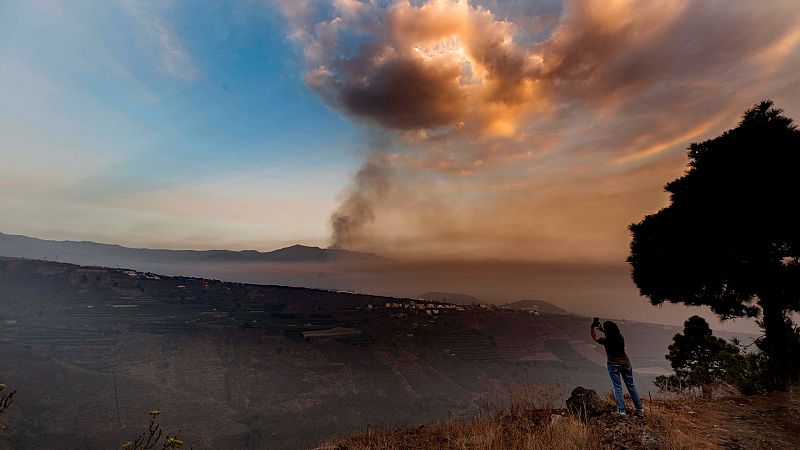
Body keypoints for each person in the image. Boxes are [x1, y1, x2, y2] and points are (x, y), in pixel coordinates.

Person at [591, 319, 644, 416]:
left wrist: (592, 328)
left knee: (617, 387)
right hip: (626, 364)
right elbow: (613, 334)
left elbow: (594, 337)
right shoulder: (620, 337)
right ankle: (640, 408)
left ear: (607, 331)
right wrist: (604, 330)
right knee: (631, 386)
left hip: (613, 365)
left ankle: (621, 411)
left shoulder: (605, 341)